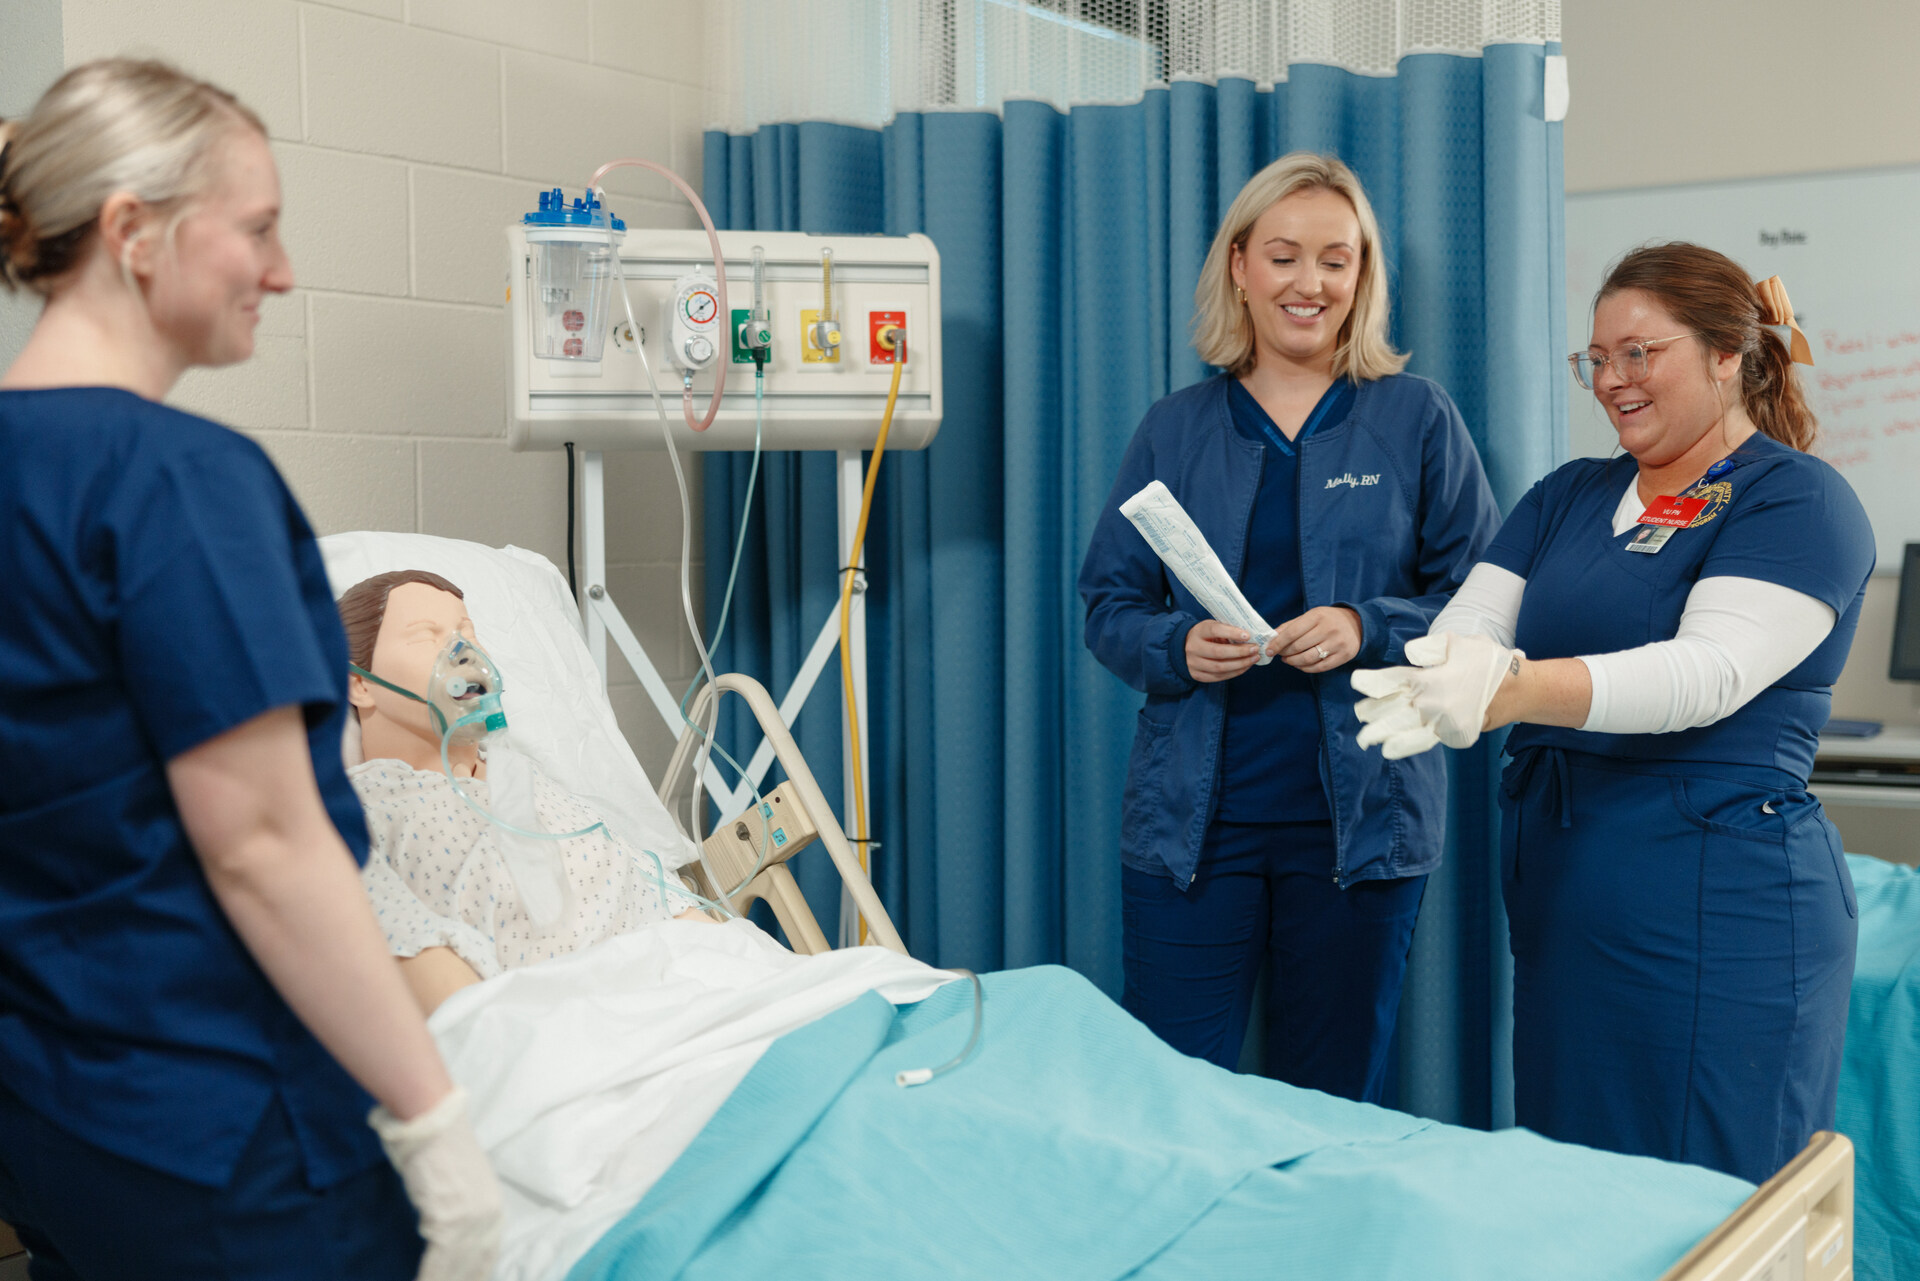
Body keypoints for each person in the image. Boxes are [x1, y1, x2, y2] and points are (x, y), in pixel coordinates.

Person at [0, 60, 498, 1278]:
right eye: (260, 229)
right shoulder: (177, 482)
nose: (281, 272)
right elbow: (264, 848)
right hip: (231, 1129)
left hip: (53, 1125)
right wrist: (438, 1130)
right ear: (132, 231)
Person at [1353, 244, 1872, 1182]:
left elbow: (1704, 674)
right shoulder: (1568, 496)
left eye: (1640, 353)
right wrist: (1443, 670)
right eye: (1596, 358)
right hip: (1568, 896)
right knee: (1582, 1196)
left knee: (1712, 1213)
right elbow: (1476, 616)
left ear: (1727, 354)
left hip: (1719, 900)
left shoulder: (1796, 499)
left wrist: (1514, 690)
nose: (1612, 381)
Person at [1077, 152, 1500, 1101]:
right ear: (1238, 266)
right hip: (1193, 833)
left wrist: (1368, 624)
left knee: (1330, 1109)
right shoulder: (1175, 427)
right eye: (1283, 256)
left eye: (1336, 260)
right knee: (1175, 1101)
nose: (1311, 283)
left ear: (1362, 277)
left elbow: (1485, 599)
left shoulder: (1415, 416)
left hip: (1362, 832)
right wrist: (1173, 647)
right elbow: (1108, 604)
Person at [336, 569, 713, 1014]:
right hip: (568, 1027)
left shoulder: (527, 781)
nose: (463, 653)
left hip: (693, 983)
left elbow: (666, 901)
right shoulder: (363, 811)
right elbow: (423, 963)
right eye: (425, 637)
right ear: (359, 684)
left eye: (466, 633)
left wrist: (744, 967)